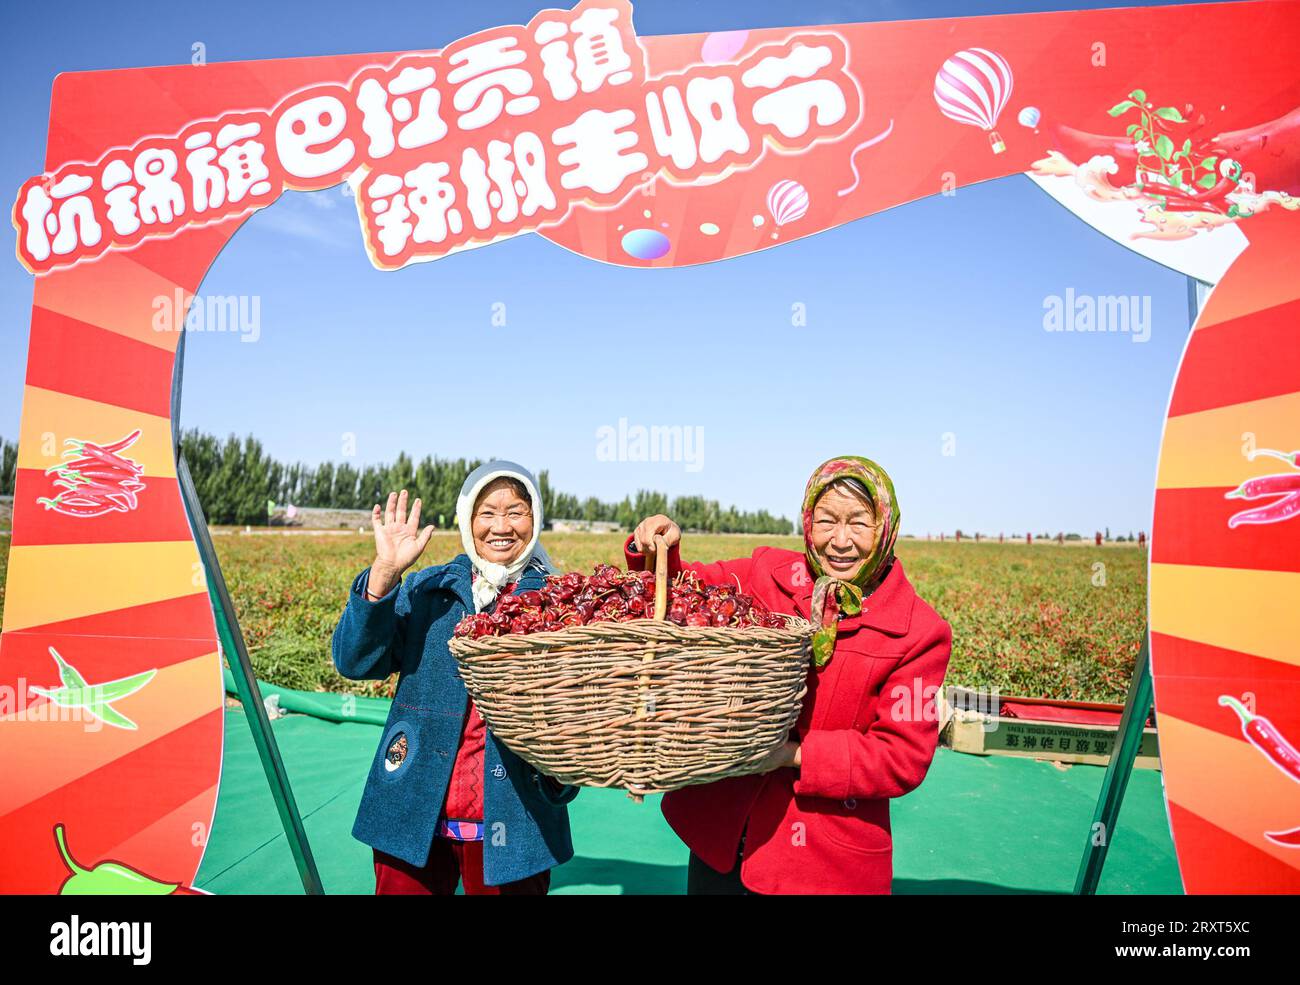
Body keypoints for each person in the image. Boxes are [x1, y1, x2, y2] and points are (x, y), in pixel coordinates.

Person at [627, 455, 952, 894]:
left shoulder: (917, 630)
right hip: (723, 840)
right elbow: (685, 592)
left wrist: (792, 754)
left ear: (886, 527)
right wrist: (658, 544)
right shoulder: (768, 574)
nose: (840, 540)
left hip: (822, 862)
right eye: (826, 521)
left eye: (858, 523)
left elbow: (901, 757)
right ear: (807, 521)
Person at [331, 461, 578, 894]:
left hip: (514, 814)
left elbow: (581, 706)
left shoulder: (559, 604)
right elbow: (356, 662)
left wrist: (560, 775)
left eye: (516, 511)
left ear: (535, 518)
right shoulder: (430, 590)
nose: (502, 526)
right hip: (415, 808)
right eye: (487, 512)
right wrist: (385, 574)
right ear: (467, 519)